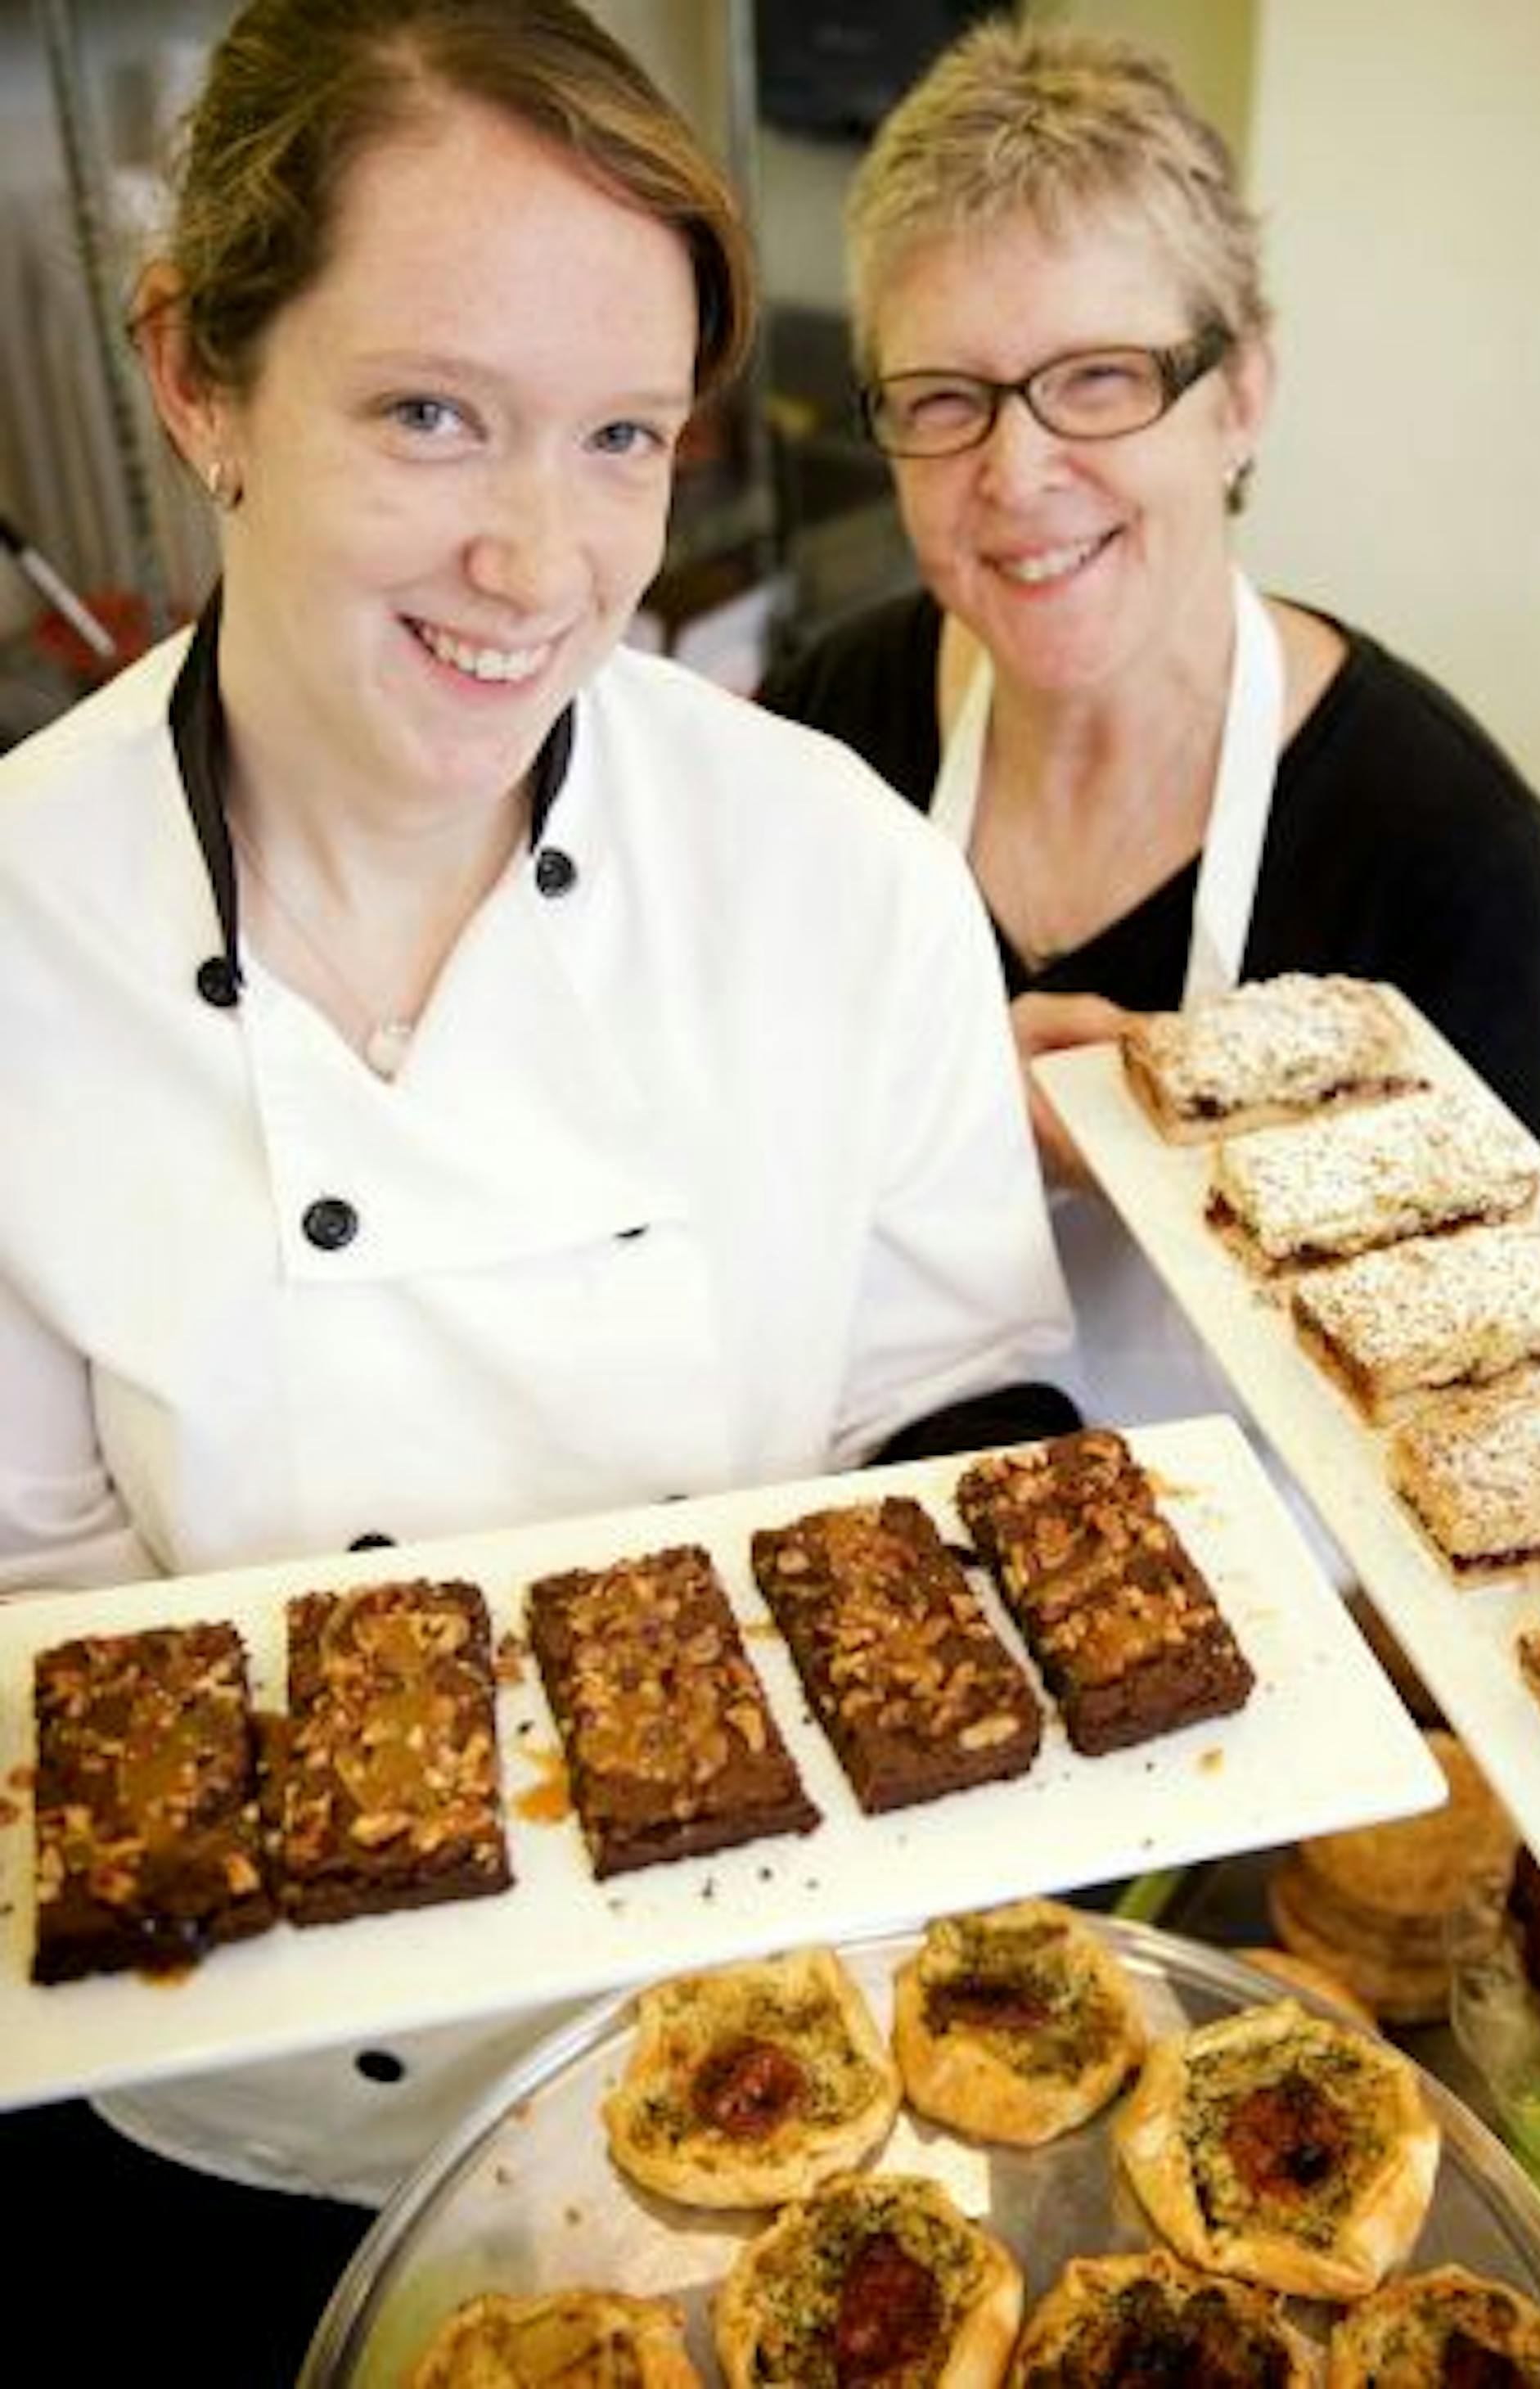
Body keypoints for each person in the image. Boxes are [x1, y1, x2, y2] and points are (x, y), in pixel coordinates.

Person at [0, 2, 1074, 2373]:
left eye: (619, 442)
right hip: (220, 2131)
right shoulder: (14, 935)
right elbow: (51, 1679)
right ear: (198, 377)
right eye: (426, 415)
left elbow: (949, 1416)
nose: (541, 557)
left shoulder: (832, 873)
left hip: (783, 2077)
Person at [761, 18, 1540, 1430]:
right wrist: (912, 1112)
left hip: (1294, 1610)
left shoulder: (1443, 843)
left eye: (1097, 380)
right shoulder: (821, 742)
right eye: (946, 399)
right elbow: (692, 1198)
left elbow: (1500, 1393)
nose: (1016, 473)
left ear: (1240, 397)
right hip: (871, 1564)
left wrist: (1226, 1170)